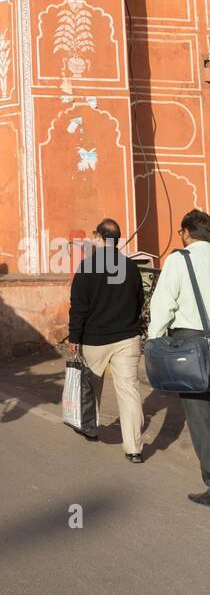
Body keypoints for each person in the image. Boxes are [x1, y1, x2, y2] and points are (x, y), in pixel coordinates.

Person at [67, 218, 145, 461]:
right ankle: (134, 449)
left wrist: (74, 337)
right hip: (126, 337)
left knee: (91, 386)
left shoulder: (87, 267)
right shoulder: (129, 267)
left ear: (101, 238)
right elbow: (140, 301)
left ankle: (90, 427)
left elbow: (79, 307)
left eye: (94, 236)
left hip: (95, 339)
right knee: (129, 391)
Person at [148, 209, 210, 506]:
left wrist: (153, 340)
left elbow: (163, 305)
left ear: (186, 232)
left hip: (191, 344)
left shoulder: (178, 260)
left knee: (200, 418)